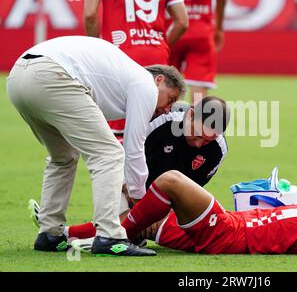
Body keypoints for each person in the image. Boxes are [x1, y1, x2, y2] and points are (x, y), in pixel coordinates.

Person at [7, 35, 185, 256]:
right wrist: (140, 200)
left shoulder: (120, 77)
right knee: (109, 154)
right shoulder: (145, 84)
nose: (168, 109)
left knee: (63, 157)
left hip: (18, 77)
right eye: (171, 99)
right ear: (159, 80)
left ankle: (50, 234)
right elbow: (134, 147)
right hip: (52, 75)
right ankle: (110, 236)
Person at [29, 96, 230, 241]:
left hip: (166, 200)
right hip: (130, 185)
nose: (198, 144)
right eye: (196, 135)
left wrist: (160, 215)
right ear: (191, 114)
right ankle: (60, 233)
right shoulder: (162, 122)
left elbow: (190, 192)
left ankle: (64, 234)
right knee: (120, 226)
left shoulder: (217, 150)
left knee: (133, 229)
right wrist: (139, 202)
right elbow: (120, 159)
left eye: (207, 140)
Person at [69, 171, 297, 255]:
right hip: (234, 224)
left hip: (231, 234)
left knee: (170, 181)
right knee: (145, 218)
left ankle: (115, 237)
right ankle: (65, 236)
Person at [84, 0, 189, 141]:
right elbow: (182, 21)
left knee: (117, 130)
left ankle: (115, 167)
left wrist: (96, 51)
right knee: (150, 129)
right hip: (156, 55)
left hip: (119, 54)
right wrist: (163, 45)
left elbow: (90, 14)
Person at [169, 0, 228, 103]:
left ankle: (165, 121)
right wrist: (219, 28)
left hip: (172, 30)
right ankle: (197, 121)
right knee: (199, 87)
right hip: (201, 32)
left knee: (166, 84)